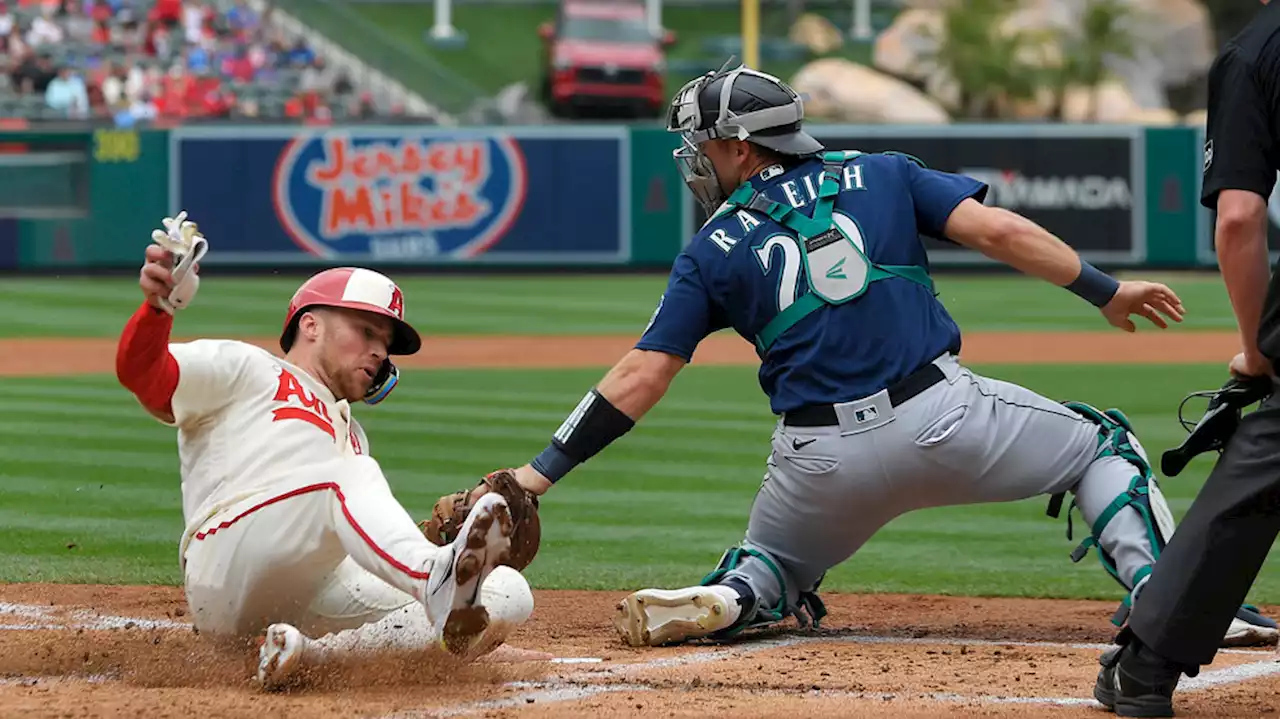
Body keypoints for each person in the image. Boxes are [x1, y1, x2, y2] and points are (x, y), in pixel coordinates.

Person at [473, 62, 1278, 652]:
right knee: (1102, 442)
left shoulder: (712, 246)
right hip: (945, 419)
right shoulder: (885, 173)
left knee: (777, 564)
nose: (698, 159)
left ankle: (732, 593)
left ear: (746, 149)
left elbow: (641, 375)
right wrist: (1105, 290)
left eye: (707, 144)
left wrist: (537, 475)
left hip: (817, 461)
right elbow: (998, 231)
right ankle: (1163, 596)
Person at [115, 214, 531, 690]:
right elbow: (144, 376)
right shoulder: (249, 368)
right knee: (347, 476)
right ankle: (433, 576)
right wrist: (158, 310)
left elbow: (338, 531)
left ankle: (313, 656)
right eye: (366, 331)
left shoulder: (353, 437)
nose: (379, 351)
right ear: (310, 325)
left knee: (507, 593)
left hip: (310, 593)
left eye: (386, 343)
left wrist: (443, 549)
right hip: (228, 561)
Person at [1090, 2, 1280, 716]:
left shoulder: (1256, 51)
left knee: (1264, 460)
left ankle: (1148, 662)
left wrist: (1259, 349)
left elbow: (1239, 215)